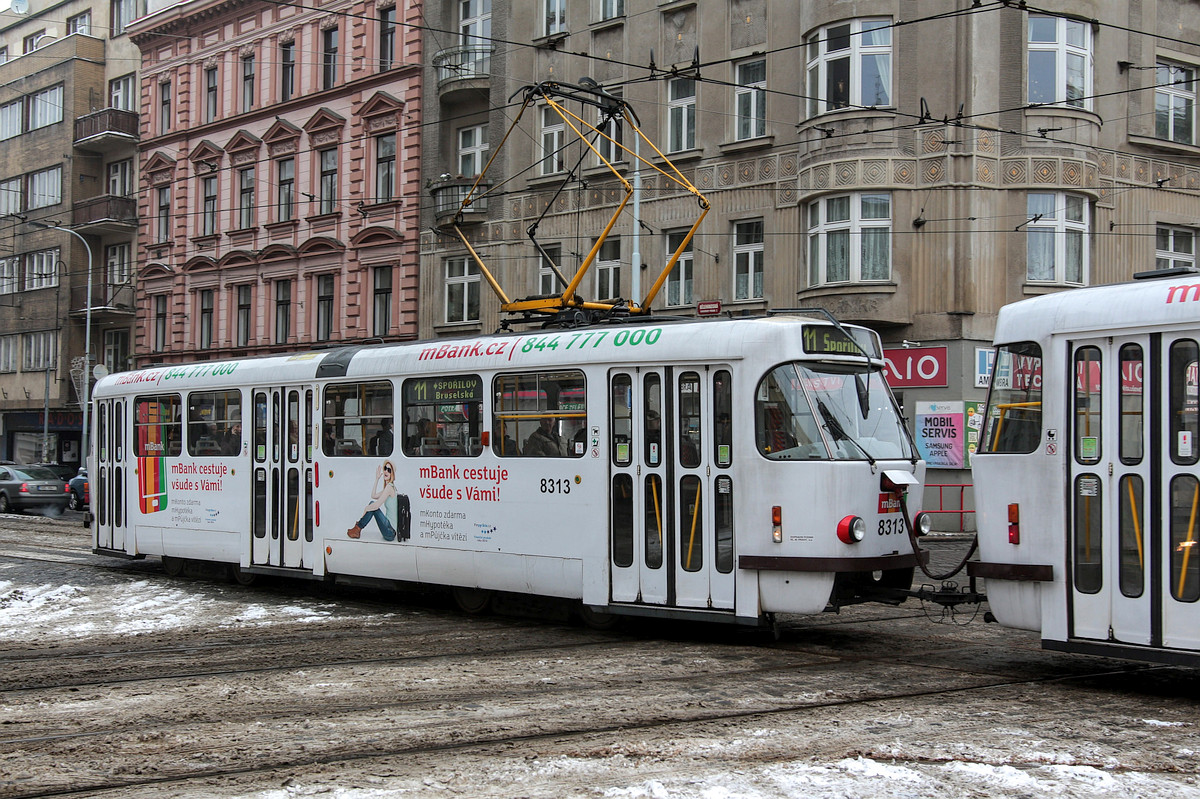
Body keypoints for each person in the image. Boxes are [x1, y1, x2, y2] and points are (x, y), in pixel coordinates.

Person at [347, 461, 399, 541]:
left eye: (389, 470)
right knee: (372, 504)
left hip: (390, 532)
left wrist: (366, 508)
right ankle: (357, 529)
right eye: (385, 468)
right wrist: (377, 479)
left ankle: (357, 528)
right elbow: (373, 496)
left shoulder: (389, 487)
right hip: (388, 529)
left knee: (373, 506)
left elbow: (377, 505)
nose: (386, 471)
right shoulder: (389, 487)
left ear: (392, 474)